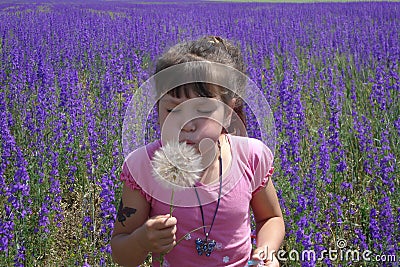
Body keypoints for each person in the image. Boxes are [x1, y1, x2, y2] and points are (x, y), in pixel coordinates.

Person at [111, 36, 285, 267]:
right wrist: (142, 241)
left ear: (228, 111)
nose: (186, 124)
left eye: (202, 110)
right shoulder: (143, 166)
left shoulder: (251, 156)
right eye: (173, 109)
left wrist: (266, 250)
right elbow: (122, 253)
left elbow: (271, 218)